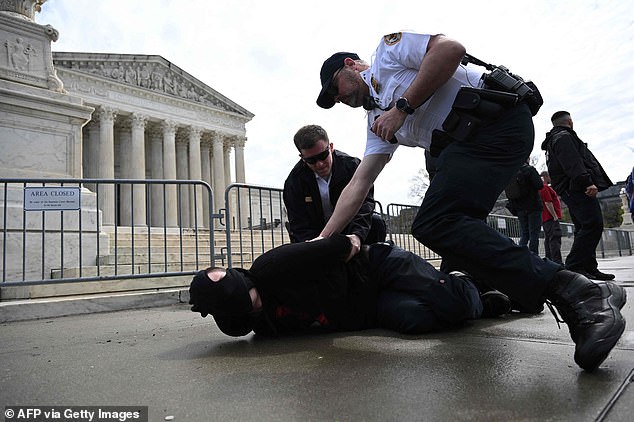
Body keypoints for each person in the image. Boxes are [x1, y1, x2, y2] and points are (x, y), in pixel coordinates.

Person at [314, 31, 626, 371]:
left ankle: (580, 293)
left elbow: (450, 49)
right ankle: (551, 296)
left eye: (335, 88)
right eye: (332, 98)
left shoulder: (386, 55)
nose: (338, 98)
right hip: (468, 146)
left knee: (435, 220)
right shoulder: (376, 121)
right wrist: (323, 240)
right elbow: (360, 182)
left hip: (498, 121)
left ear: (350, 66)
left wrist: (402, 108)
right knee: (454, 232)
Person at [189, 235, 512, 338]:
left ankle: (467, 282)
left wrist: (348, 242)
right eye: (250, 309)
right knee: (417, 320)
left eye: (253, 298)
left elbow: (345, 244)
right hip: (370, 307)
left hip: (375, 268)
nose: (258, 305)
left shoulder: (272, 267)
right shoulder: (266, 327)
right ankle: (478, 301)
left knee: (450, 302)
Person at [542, 111, 615, 281]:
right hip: (577, 187)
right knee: (593, 224)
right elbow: (573, 162)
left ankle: (588, 267)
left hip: (571, 188)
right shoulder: (563, 137)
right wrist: (587, 182)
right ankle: (574, 266)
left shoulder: (555, 139)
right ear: (569, 121)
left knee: (583, 227)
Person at [283, 124, 386, 244]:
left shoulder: (352, 166)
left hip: (349, 227)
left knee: (376, 222)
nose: (320, 164)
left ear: (331, 147)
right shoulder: (294, 182)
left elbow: (364, 205)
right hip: (315, 232)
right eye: (311, 160)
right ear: (302, 158)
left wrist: (356, 236)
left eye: (323, 156)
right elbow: (299, 224)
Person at [505, 160, 543, 254]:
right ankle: (534, 257)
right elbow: (539, 185)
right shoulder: (530, 170)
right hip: (533, 206)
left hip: (520, 208)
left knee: (524, 234)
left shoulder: (512, 172)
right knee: (534, 234)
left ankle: (520, 256)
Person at [540, 171, 563, 265]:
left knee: (549, 239)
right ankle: (557, 261)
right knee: (555, 239)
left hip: (546, 218)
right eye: (550, 176)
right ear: (546, 176)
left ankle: (550, 261)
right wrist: (555, 216)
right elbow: (548, 202)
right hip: (551, 218)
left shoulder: (541, 188)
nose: (551, 178)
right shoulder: (545, 188)